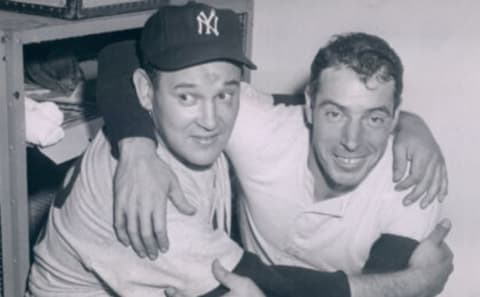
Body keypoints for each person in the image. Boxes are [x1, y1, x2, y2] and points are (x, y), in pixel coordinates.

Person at [28, 4, 453, 297]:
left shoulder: (411, 180)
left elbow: (123, 53)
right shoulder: (147, 201)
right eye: (187, 97)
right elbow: (259, 283)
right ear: (144, 91)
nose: (213, 121)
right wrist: (417, 282)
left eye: (226, 94)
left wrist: (409, 122)